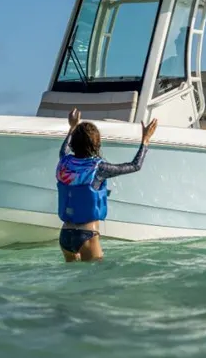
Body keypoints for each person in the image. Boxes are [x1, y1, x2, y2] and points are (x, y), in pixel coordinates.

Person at [56, 108, 159, 262]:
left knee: (72, 279)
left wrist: (72, 127)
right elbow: (135, 165)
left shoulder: (64, 162)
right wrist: (145, 140)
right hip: (86, 234)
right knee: (96, 281)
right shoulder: (99, 168)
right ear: (97, 144)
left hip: (65, 235)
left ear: (74, 143)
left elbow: (63, 150)